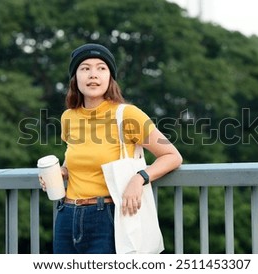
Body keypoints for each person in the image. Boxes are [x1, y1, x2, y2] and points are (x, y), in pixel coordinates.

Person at [40, 43, 182, 254]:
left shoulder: (127, 114)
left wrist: (139, 178)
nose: (93, 75)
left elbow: (172, 156)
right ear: (75, 78)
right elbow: (75, 159)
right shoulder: (68, 117)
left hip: (106, 217)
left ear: (110, 78)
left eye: (101, 68)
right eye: (85, 68)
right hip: (66, 216)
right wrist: (62, 171)